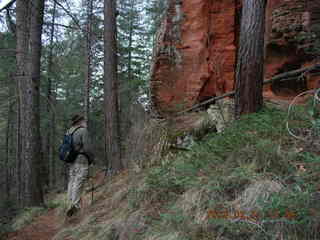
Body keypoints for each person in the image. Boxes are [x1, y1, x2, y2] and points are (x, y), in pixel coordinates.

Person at [66, 114, 94, 217]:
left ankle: (69, 202)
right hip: (81, 160)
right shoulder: (83, 131)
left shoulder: (69, 131)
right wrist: (91, 159)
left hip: (71, 161)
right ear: (80, 121)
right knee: (79, 181)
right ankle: (75, 205)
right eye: (84, 120)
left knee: (72, 181)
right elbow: (87, 148)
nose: (85, 122)